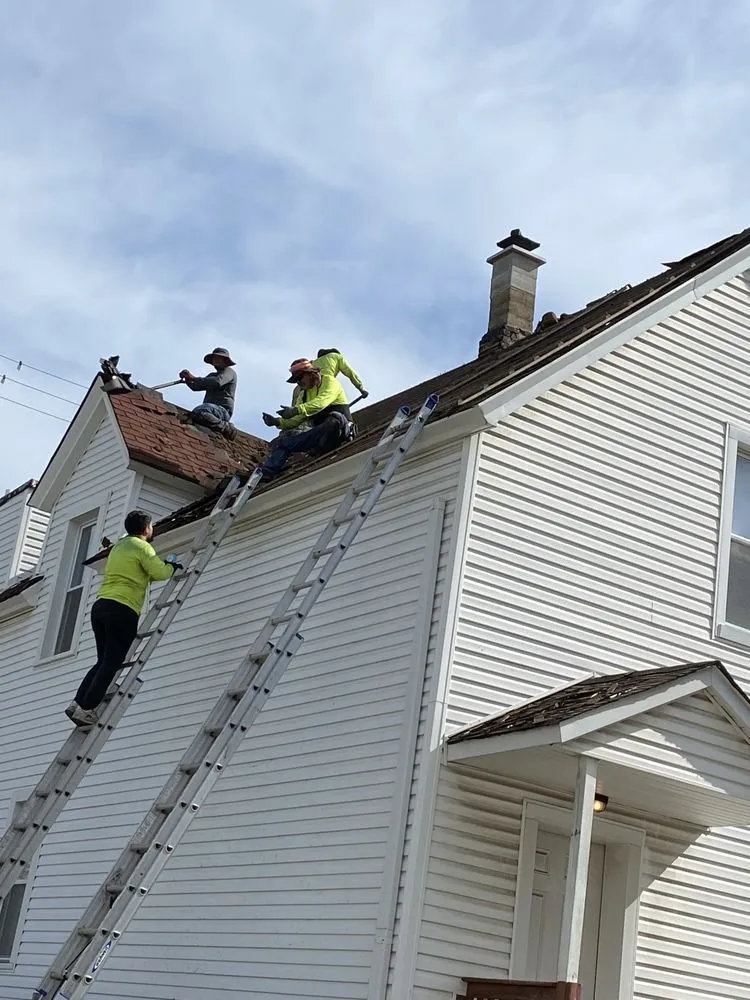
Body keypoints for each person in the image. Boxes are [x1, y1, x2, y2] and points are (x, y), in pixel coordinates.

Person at [64, 511, 181, 731]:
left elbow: (147, 573)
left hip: (101, 606)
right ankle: (86, 707)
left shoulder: (119, 547)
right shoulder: (142, 547)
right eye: (151, 526)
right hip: (122, 608)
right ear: (146, 528)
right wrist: (171, 566)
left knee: (103, 660)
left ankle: (77, 702)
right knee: (113, 661)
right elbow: (159, 572)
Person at [260, 359, 355, 479]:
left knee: (334, 419)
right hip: (320, 437)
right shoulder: (304, 394)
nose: (299, 383)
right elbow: (297, 419)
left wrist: (296, 410)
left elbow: (321, 402)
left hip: (339, 430)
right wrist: (277, 422)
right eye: (296, 381)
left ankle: (320, 446)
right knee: (284, 442)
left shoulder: (330, 382)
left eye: (300, 378)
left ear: (311, 373)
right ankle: (266, 473)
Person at [178, 347, 238, 441]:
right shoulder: (211, 376)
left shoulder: (229, 372)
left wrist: (193, 378)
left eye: (219, 358)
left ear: (225, 360)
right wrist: (188, 380)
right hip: (210, 409)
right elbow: (196, 387)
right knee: (195, 415)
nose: (216, 360)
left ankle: (225, 427)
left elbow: (218, 382)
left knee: (200, 410)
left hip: (222, 410)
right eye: (214, 358)